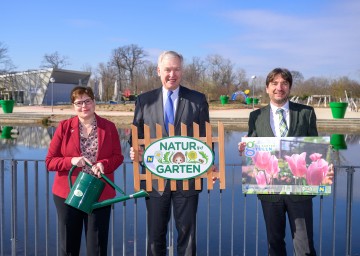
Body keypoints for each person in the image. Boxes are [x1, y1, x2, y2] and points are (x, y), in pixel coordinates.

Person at [238, 68, 333, 256]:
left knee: (304, 246)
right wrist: (244, 148)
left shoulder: (306, 113)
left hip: (300, 192)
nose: (279, 88)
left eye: (284, 83)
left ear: (289, 87)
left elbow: (315, 148)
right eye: (274, 83)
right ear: (267, 88)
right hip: (270, 192)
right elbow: (253, 149)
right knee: (274, 244)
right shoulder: (255, 117)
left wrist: (325, 166)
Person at [129, 50, 214, 256]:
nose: (172, 74)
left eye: (176, 69)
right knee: (155, 236)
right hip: (155, 180)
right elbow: (135, 135)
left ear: (182, 72)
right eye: (167, 69)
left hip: (188, 180)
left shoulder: (198, 99)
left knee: (187, 236)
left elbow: (206, 138)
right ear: (159, 71)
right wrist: (136, 150)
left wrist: (208, 161)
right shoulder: (144, 100)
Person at [46, 86, 124, 255]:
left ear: (94, 102)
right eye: (79, 102)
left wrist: (104, 164)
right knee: (68, 247)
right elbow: (49, 162)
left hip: (100, 193)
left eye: (87, 101)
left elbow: (118, 157)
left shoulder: (109, 127)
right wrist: (71, 161)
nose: (84, 106)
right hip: (68, 195)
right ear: (73, 106)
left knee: (97, 246)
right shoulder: (64, 127)